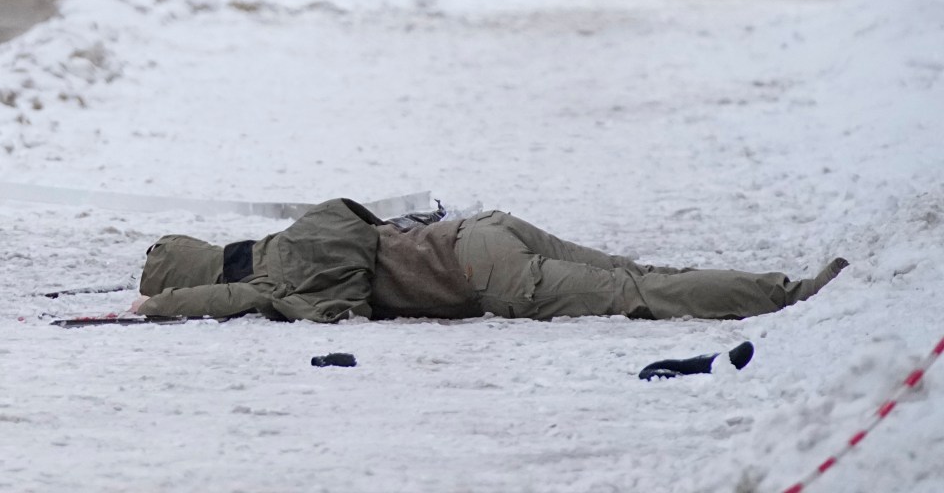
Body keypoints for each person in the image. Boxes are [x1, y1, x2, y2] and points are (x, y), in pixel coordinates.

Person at [133, 198, 846, 323]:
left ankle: (786, 295)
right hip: (484, 232)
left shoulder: (278, 279)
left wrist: (154, 307)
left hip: (483, 277)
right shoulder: (304, 232)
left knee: (636, 298)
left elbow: (233, 302)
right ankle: (775, 285)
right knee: (638, 272)